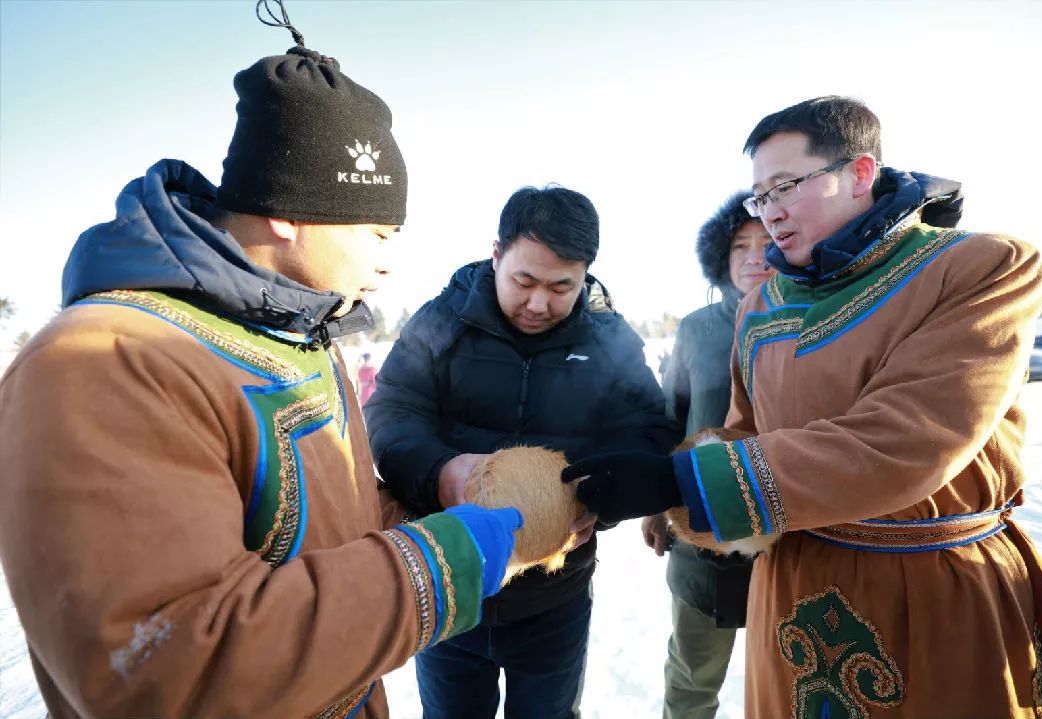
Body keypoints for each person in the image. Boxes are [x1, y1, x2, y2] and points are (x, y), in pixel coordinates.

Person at [0, 14, 525, 719]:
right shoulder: (100, 361)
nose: (388, 259)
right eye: (376, 231)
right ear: (290, 211)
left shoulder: (305, 340)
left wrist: (445, 504)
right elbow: (173, 670)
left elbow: (333, 527)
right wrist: (442, 560)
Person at [565, 96, 1042, 717]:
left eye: (786, 186)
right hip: (793, 591)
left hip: (928, 583)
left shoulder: (978, 268)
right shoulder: (761, 308)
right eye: (760, 195)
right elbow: (742, 433)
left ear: (860, 173)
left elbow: (907, 441)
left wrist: (685, 480)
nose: (769, 213)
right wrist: (664, 474)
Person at [364, 185, 676, 719]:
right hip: (449, 581)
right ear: (496, 255)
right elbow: (391, 414)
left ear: (585, 274)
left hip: (556, 594)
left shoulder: (607, 337)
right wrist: (440, 475)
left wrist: (599, 499)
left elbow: (647, 431)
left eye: (561, 287)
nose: (538, 303)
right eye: (523, 281)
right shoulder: (441, 323)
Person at [640, 190, 775, 719]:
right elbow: (671, 418)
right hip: (705, 532)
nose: (754, 256)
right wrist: (657, 502)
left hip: (795, 535)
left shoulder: (820, 320)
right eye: (740, 245)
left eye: (766, 241)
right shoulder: (697, 330)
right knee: (695, 674)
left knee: (792, 673)